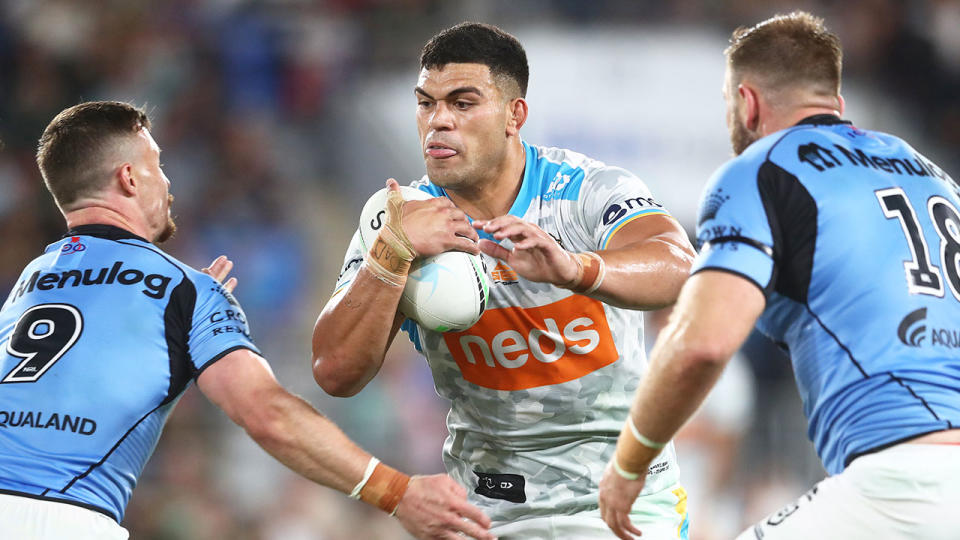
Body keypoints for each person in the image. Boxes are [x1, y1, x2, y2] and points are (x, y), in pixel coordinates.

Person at [0, 101, 493, 540]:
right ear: (129, 178)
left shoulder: (29, 281)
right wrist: (397, 492)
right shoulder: (183, 290)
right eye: (158, 166)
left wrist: (181, 327)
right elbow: (267, 414)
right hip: (61, 519)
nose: (168, 183)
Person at [313, 22, 696, 538]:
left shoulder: (584, 192)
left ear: (515, 115)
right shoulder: (403, 222)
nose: (438, 122)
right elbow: (335, 373)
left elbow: (681, 267)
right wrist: (390, 256)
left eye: (463, 103)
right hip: (486, 507)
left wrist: (575, 269)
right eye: (426, 103)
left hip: (621, 498)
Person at [598, 11, 960, 540]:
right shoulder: (937, 178)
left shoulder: (762, 169)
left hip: (901, 484)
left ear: (746, 103)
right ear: (836, 104)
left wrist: (629, 464)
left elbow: (703, 343)